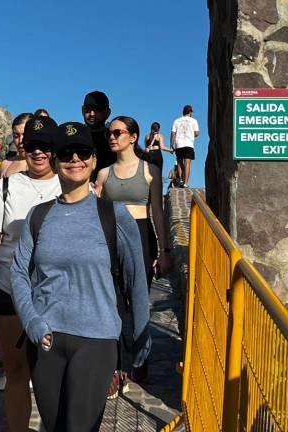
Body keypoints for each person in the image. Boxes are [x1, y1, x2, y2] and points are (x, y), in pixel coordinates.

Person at [10, 121, 151, 432]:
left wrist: (140, 342)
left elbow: (136, 281)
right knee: (55, 426)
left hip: (97, 339)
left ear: (94, 160)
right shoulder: (39, 215)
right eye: (67, 153)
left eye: (83, 152)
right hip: (46, 340)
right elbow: (19, 271)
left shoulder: (114, 215)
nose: (75, 159)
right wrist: (32, 320)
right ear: (56, 160)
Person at [0, 116, 62, 432]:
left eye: (45, 146)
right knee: (17, 374)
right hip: (9, 293)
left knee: (53, 377)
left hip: (55, 300)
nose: (38, 152)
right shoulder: (7, 185)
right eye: (32, 145)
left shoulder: (69, 183)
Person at [94, 115, 172, 398]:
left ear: (133, 136)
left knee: (139, 302)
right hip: (110, 239)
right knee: (110, 302)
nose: (112, 137)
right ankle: (112, 367)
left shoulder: (151, 170)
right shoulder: (102, 174)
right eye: (109, 134)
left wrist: (164, 251)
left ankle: (140, 360)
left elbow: (158, 213)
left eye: (118, 132)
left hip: (141, 236)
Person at [81, 91, 114, 180]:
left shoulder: (114, 139)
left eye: (97, 110)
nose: (92, 114)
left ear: (107, 113)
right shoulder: (77, 137)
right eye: (88, 109)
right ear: (82, 110)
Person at [170, 105, 199, 188]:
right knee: (187, 163)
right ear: (190, 112)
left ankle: (181, 180)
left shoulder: (176, 121)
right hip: (188, 144)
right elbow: (196, 133)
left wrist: (171, 144)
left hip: (179, 144)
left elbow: (173, 133)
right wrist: (191, 134)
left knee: (179, 163)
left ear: (183, 112)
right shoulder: (194, 121)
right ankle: (185, 183)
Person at [0, 113, 32, 178]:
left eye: (25, 135)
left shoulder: (42, 166)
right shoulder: (5, 165)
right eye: (16, 136)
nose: (20, 141)